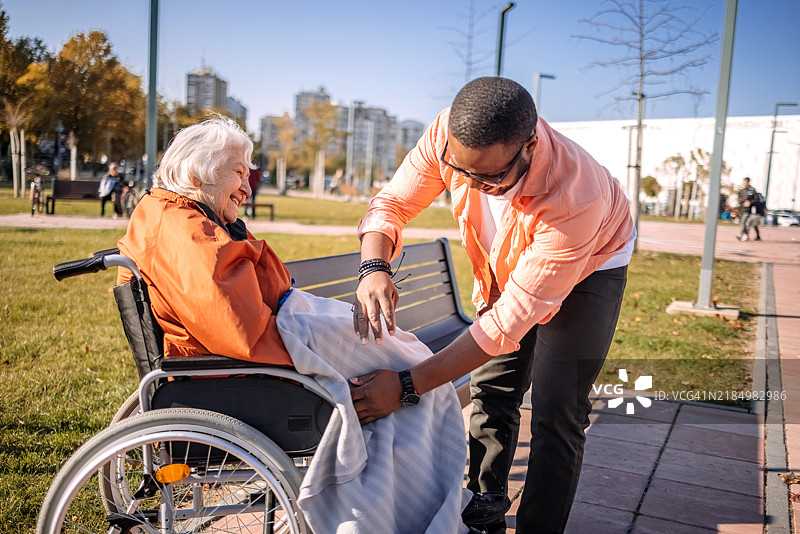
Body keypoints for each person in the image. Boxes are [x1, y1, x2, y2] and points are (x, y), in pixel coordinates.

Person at [116, 116, 478, 534]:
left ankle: (426, 504)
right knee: (416, 380)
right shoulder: (185, 228)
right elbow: (239, 330)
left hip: (279, 331)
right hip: (266, 352)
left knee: (414, 373)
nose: (248, 187)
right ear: (200, 170)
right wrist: (313, 366)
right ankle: (422, 510)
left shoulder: (181, 216)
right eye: (238, 172)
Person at [350, 77, 634, 534]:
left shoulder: (576, 196)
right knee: (491, 390)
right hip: (514, 260)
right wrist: (374, 268)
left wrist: (405, 386)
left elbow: (507, 324)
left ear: (529, 146)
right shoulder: (449, 135)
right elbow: (392, 203)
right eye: (458, 171)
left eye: (488, 177)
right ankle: (484, 514)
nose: (468, 184)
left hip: (591, 266)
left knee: (558, 409)